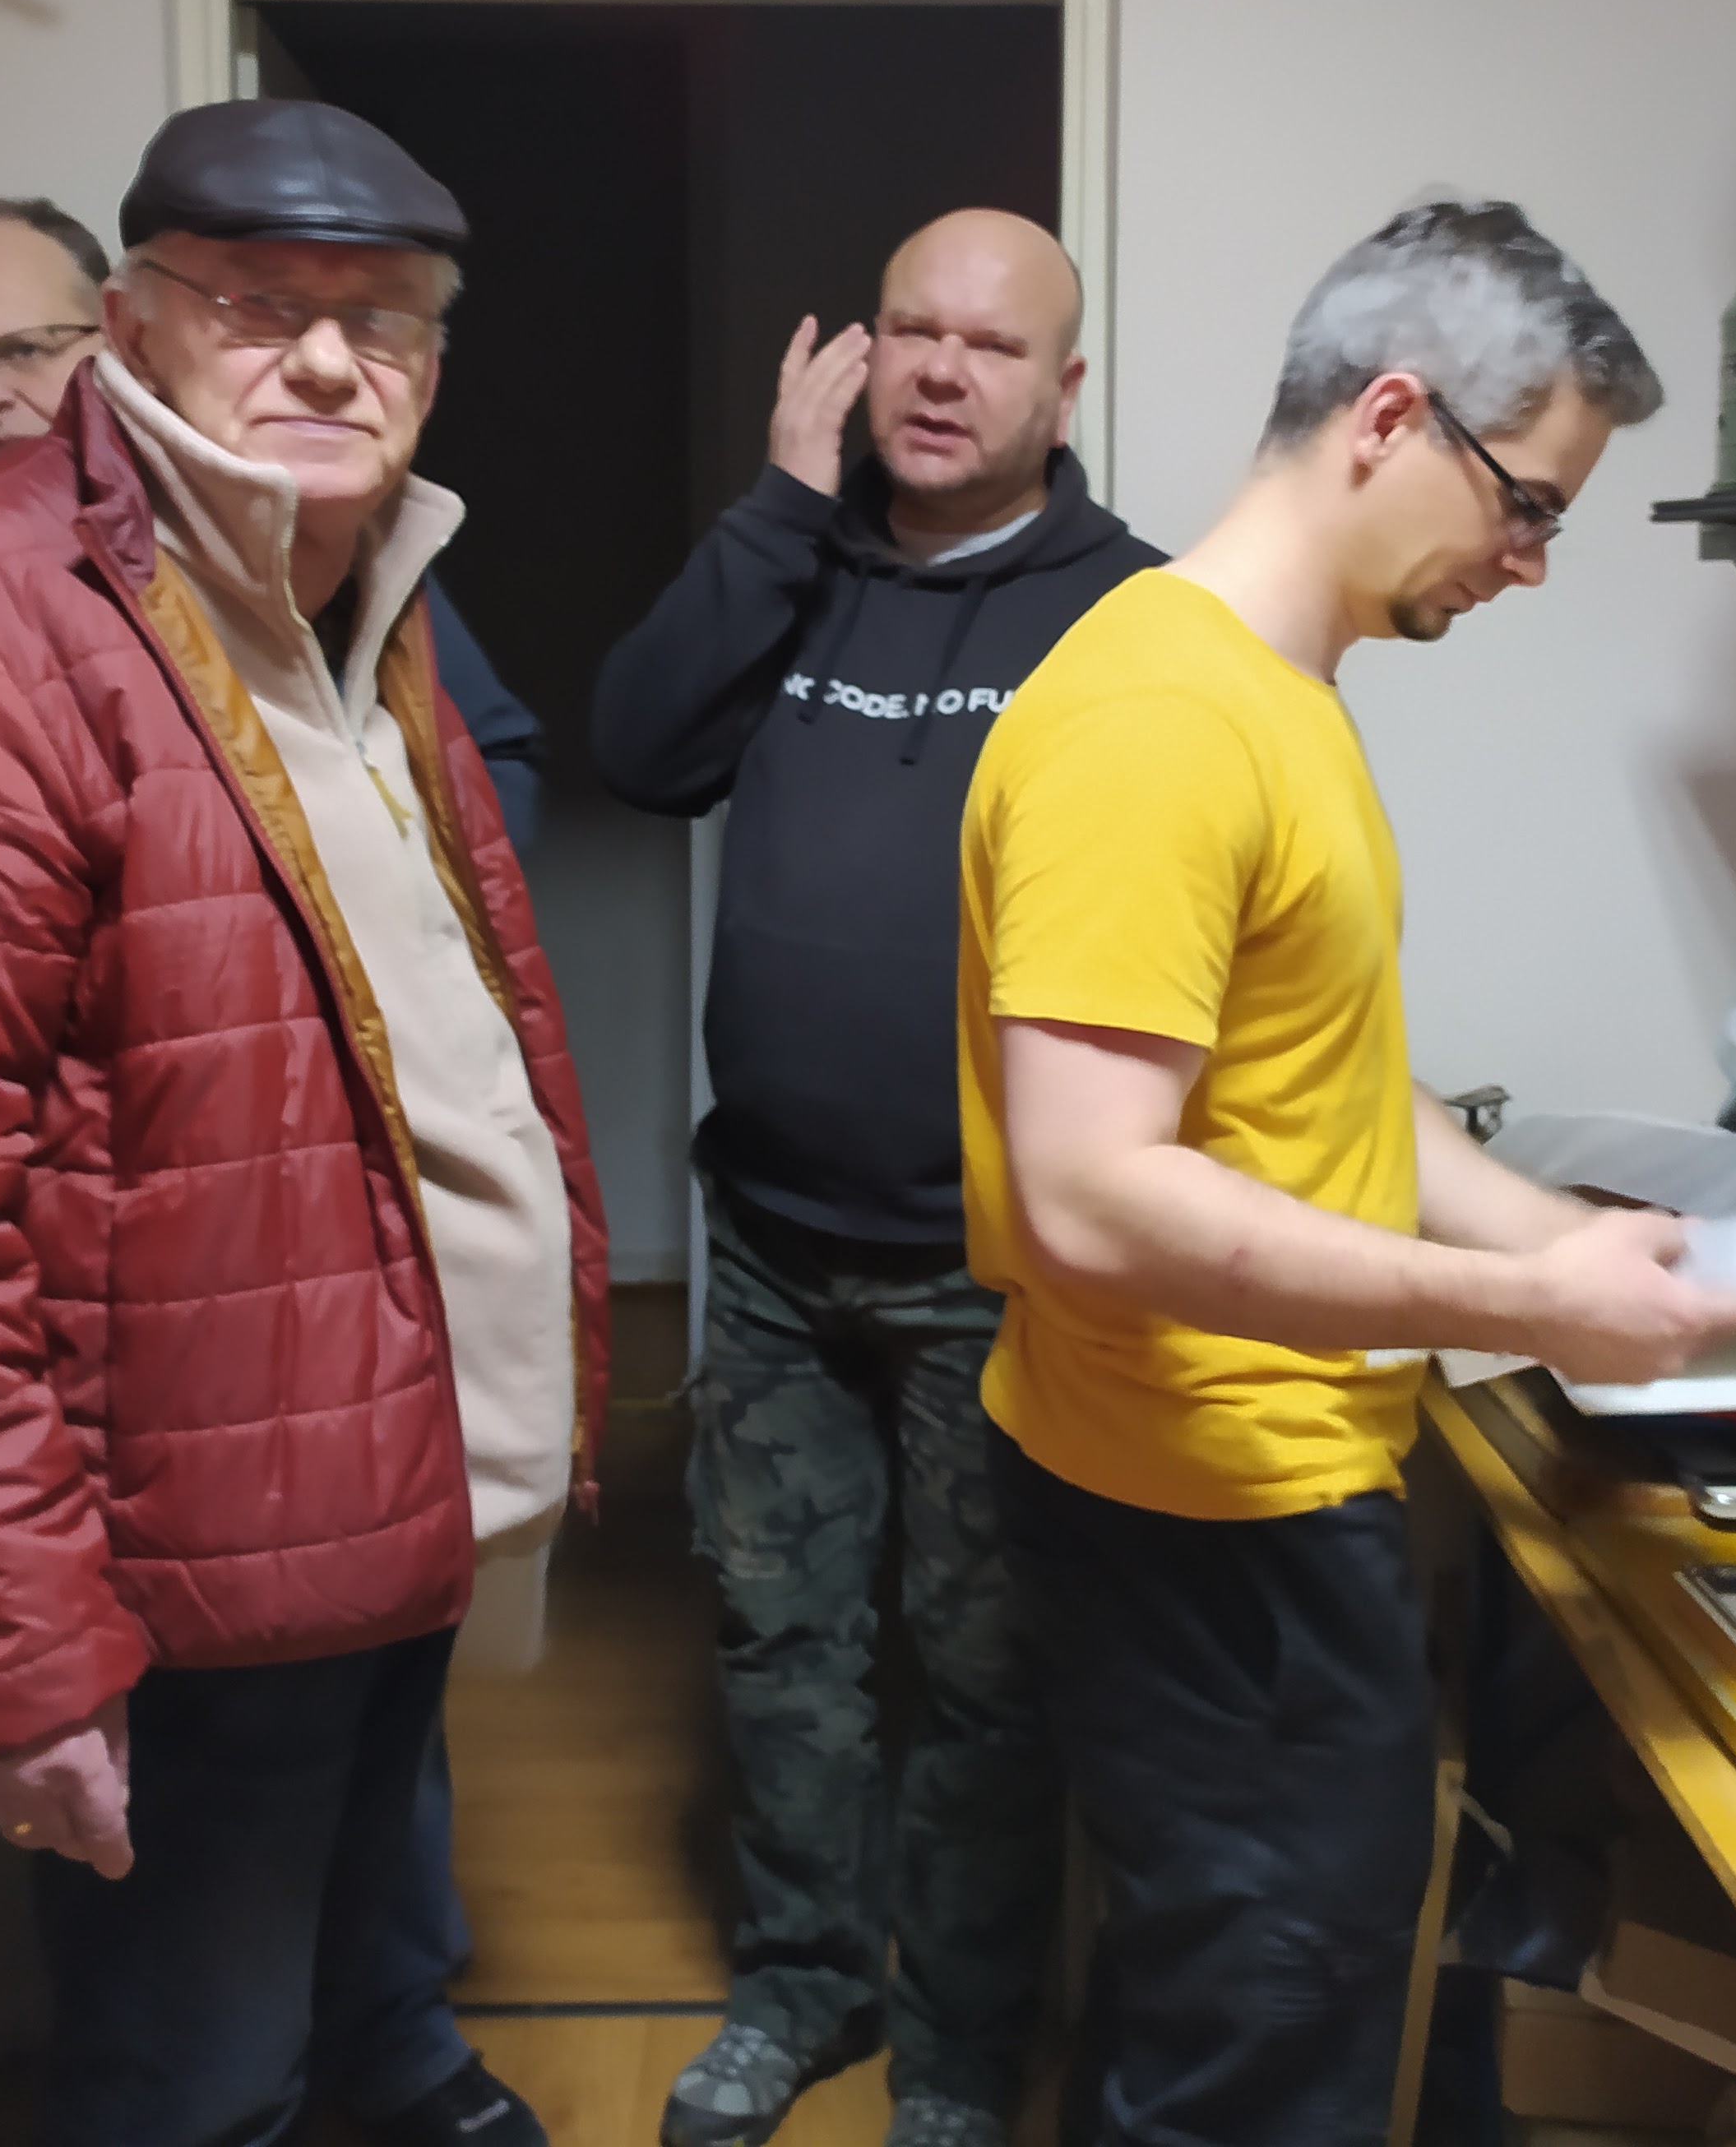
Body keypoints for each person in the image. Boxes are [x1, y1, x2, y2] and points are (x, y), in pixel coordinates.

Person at [0, 99, 609, 2147]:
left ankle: (399, 2073)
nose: (326, 360)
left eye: (381, 318)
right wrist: (17, 1652)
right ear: (132, 325)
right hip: (188, 1534)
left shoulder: (360, 575)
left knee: (360, 1935)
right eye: (255, 305)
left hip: (389, 1473)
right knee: (199, 2071)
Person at [956, 201, 1736, 2146]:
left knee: (1256, 2014)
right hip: (1201, 1514)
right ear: (1390, 417)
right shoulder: (1159, 720)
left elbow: (1329, 1093)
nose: (1530, 559)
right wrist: (1529, 1305)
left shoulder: (1272, 693)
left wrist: (1566, 1242)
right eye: (1527, 502)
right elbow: (1092, 1194)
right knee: (1255, 2051)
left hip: (1257, 1488)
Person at [594, 211, 1157, 2147]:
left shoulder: (1130, 616)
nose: (938, 370)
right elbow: (637, 745)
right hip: (765, 1242)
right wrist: (774, 501)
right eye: (909, 329)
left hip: (989, 1262)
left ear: (1061, 388)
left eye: (988, 346)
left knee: (989, 1679)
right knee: (780, 1647)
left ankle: (959, 2049)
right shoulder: (796, 566)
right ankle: (799, 1990)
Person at [0, 192, 546, 846]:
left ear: (124, 336)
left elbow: (494, 752)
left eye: (24, 350)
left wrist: (418, 894)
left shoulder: (288, 520)